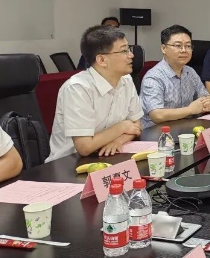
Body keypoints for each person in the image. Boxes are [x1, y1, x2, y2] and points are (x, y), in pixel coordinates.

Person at [47, 25, 143, 161]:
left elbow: (136, 126)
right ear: (102, 60)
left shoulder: (126, 80)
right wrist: (122, 127)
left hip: (106, 155)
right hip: (70, 162)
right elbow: (85, 147)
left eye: (129, 49)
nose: (131, 55)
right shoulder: (78, 88)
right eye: (124, 51)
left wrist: (117, 141)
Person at [140, 25, 210, 128]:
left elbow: (205, 96)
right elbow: (157, 115)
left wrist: (207, 102)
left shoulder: (190, 72)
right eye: (178, 46)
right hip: (158, 132)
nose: (184, 50)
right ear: (163, 48)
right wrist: (190, 110)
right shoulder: (154, 77)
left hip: (185, 128)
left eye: (188, 46)